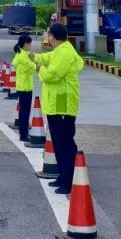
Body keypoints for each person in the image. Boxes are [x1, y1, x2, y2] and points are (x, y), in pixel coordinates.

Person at [32, 23, 84, 194]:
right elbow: (48, 58)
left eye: (48, 34)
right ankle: (63, 177)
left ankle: (69, 181)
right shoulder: (61, 50)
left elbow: (52, 75)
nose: (48, 36)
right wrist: (35, 57)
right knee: (59, 143)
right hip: (58, 105)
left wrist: (39, 68)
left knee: (64, 144)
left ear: (53, 37)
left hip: (62, 105)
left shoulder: (64, 53)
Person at [11, 34, 35, 142]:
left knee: (25, 112)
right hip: (25, 87)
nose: (30, 46)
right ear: (25, 44)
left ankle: (24, 133)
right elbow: (33, 67)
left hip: (26, 86)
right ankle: (23, 135)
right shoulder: (22, 57)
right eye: (29, 44)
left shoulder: (23, 54)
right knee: (24, 112)